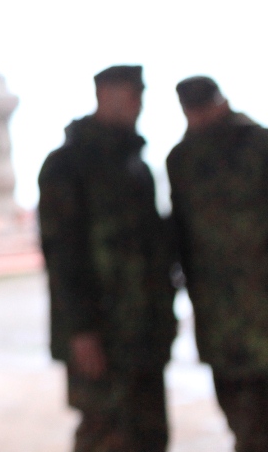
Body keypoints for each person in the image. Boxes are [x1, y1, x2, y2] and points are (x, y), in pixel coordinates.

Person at [37, 65, 177, 452]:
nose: (137, 103)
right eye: (129, 94)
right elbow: (62, 253)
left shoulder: (136, 167)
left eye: (140, 94)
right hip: (101, 336)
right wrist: (81, 329)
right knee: (106, 436)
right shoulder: (67, 165)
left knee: (150, 435)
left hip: (144, 333)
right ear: (103, 95)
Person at [168, 76, 268, 452]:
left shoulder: (260, 145)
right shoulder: (181, 159)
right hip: (220, 323)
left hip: (260, 309)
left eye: (202, 107)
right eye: (190, 110)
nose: (197, 117)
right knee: (245, 424)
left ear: (219, 102)